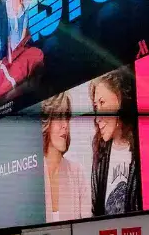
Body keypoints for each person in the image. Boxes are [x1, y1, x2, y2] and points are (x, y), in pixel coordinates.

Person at [89, 68, 142, 215]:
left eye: (102, 102)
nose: (97, 118)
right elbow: (96, 212)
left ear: (120, 99)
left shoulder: (142, 143)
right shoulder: (100, 150)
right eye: (96, 107)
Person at [41, 92, 91, 222]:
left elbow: (88, 225)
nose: (65, 125)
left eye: (67, 118)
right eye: (59, 117)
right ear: (46, 123)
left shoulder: (77, 173)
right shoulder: (32, 174)